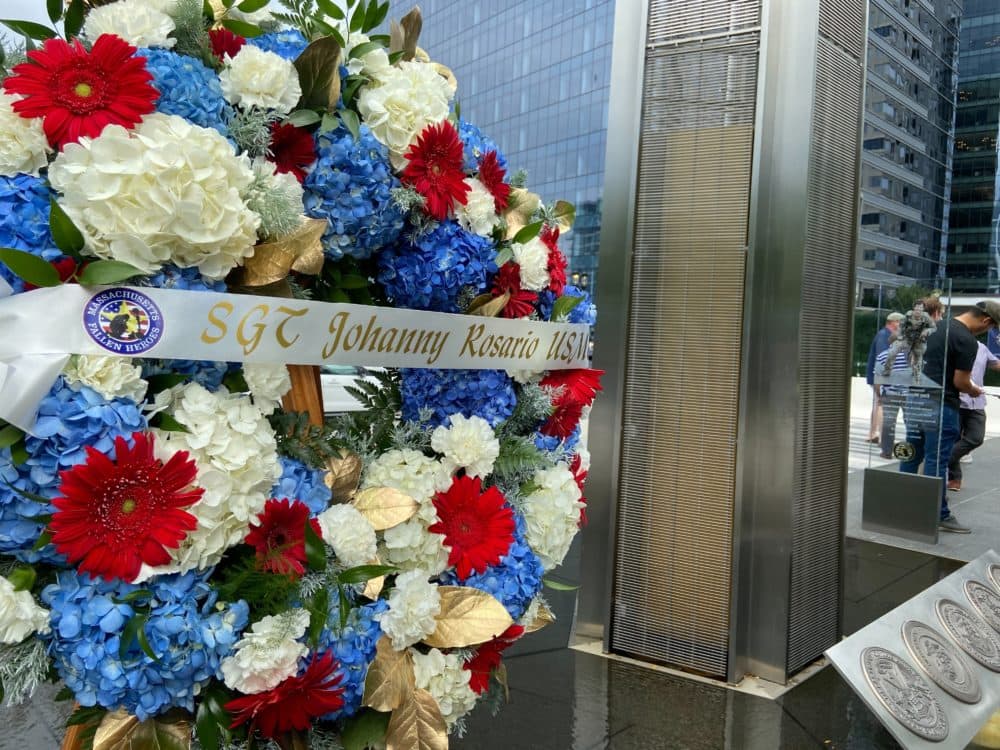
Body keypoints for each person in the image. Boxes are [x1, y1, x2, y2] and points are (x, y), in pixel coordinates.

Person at [899, 300, 1000, 533]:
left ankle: (902, 507)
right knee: (937, 461)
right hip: (941, 405)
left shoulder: (934, 327)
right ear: (985, 321)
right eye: (992, 327)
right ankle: (938, 514)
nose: (989, 331)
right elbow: (960, 382)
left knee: (911, 454)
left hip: (915, 400)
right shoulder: (966, 340)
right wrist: (974, 389)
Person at [946, 341, 1000, 491]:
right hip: (956, 400)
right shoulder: (953, 345)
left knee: (976, 438)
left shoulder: (982, 347)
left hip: (977, 401)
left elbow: (996, 364)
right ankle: (954, 478)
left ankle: (944, 458)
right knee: (953, 437)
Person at [867, 312, 905, 445]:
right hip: (881, 378)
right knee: (881, 405)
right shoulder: (885, 335)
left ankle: (873, 433)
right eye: (900, 323)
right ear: (893, 322)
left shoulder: (883, 334)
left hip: (878, 377)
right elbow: (884, 358)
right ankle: (879, 436)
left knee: (878, 404)